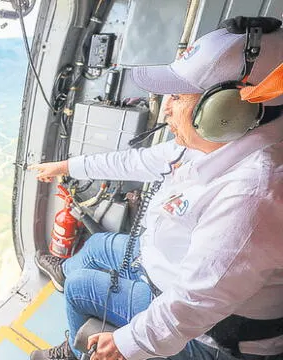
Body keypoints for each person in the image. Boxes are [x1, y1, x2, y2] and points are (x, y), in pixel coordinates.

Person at [28, 24, 283, 360]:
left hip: (213, 337)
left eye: (177, 97)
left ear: (227, 110)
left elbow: (194, 303)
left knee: (80, 288)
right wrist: (68, 166)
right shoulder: (216, 142)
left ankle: (76, 352)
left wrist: (124, 344)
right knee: (96, 245)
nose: (165, 109)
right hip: (168, 270)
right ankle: (69, 278)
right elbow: (138, 161)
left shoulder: (253, 197)